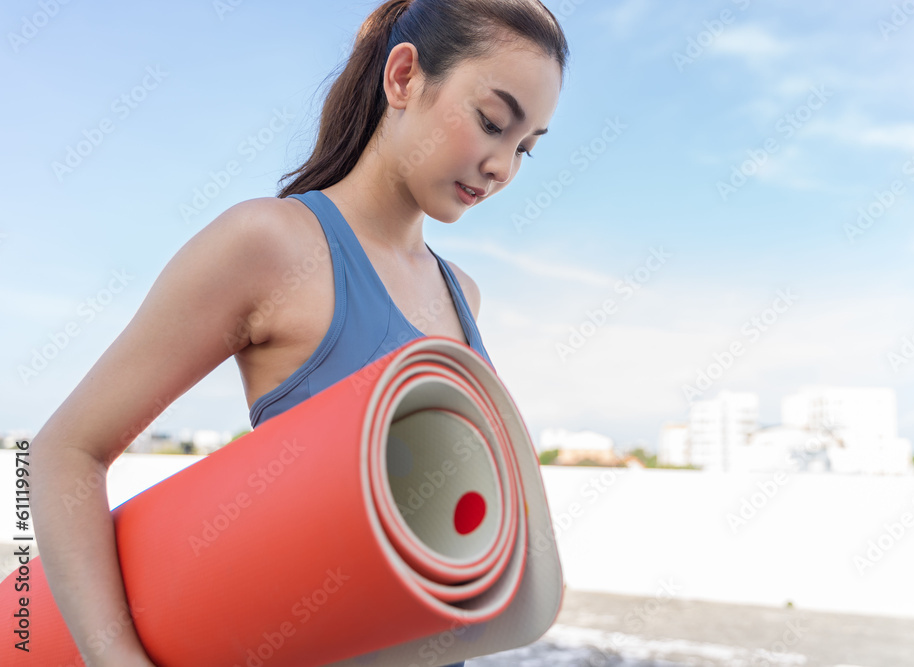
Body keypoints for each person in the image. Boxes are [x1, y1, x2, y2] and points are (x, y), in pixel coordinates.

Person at [28, 0, 569, 665]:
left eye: (526, 148)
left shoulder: (466, 296)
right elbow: (63, 451)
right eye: (492, 122)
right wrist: (114, 656)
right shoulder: (270, 244)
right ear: (403, 77)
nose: (502, 167)